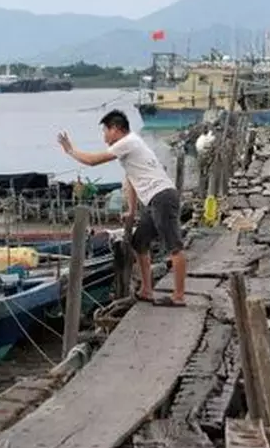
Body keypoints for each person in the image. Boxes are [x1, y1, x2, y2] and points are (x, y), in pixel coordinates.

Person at [56, 109, 186, 306]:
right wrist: (132, 211)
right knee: (139, 242)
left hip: (162, 196)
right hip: (153, 200)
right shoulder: (129, 150)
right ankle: (147, 290)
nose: (104, 136)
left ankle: (178, 296)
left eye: (105, 131)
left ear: (115, 129)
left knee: (174, 246)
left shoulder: (128, 142)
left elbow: (92, 161)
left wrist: (71, 151)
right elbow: (131, 182)